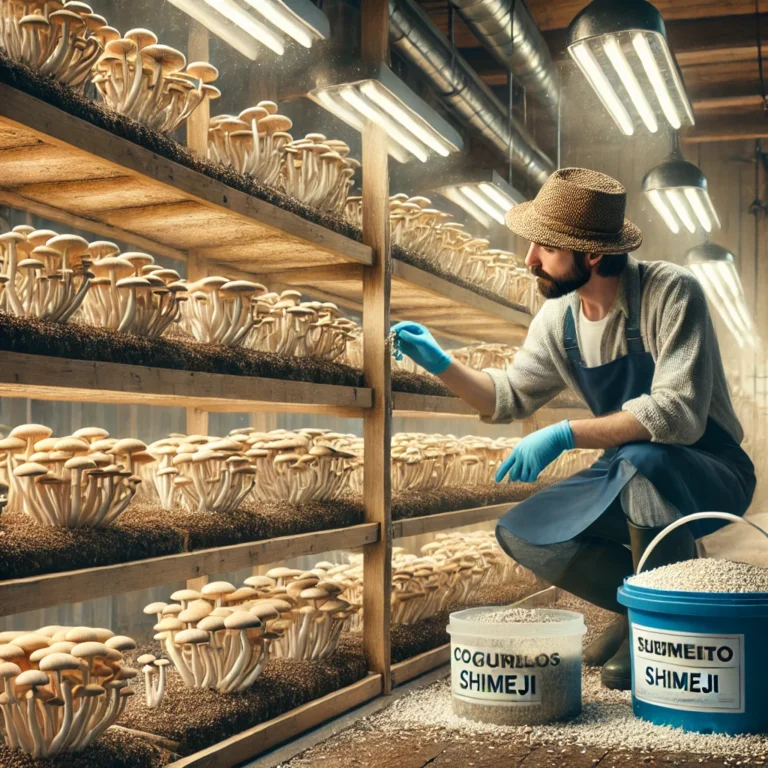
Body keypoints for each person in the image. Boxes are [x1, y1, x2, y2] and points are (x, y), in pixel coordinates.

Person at [391, 168, 755, 690]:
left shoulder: (670, 293)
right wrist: (440, 362)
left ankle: (661, 623)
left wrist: (564, 433)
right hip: (624, 468)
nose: (529, 258)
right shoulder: (558, 320)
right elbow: (505, 396)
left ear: (592, 255)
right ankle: (644, 609)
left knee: (644, 463)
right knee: (525, 532)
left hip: (707, 468)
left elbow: (677, 414)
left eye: (546, 246)